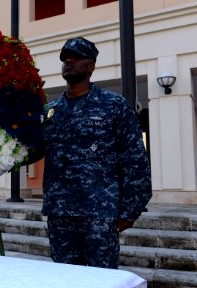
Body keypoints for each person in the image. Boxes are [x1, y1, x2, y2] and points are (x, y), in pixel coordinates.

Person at [41, 37, 152, 269]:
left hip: (100, 212)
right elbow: (33, 150)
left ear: (90, 66)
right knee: (65, 281)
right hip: (60, 213)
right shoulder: (51, 110)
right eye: (65, 58)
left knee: (102, 281)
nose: (68, 61)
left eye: (76, 57)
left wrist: (129, 211)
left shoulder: (114, 105)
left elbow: (135, 160)